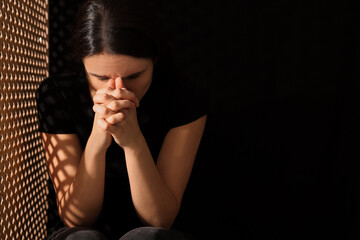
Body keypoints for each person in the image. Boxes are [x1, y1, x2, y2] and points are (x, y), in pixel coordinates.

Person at [36, 0, 207, 239]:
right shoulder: (58, 95)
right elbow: (76, 218)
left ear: (154, 60)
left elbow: (159, 219)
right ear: (82, 65)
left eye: (134, 76)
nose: (118, 90)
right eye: (100, 77)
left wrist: (133, 141)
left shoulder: (184, 97)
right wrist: (98, 137)